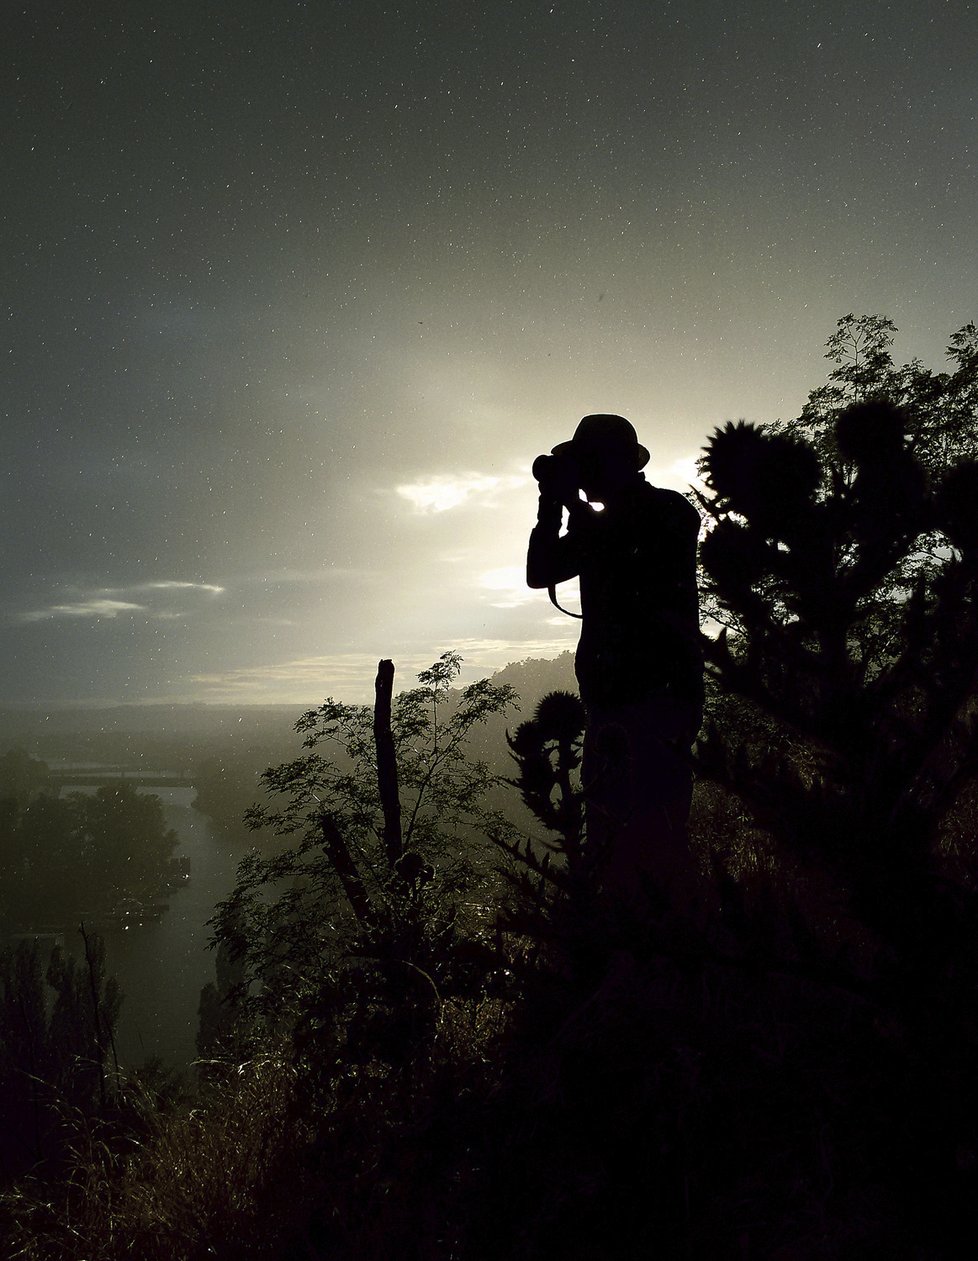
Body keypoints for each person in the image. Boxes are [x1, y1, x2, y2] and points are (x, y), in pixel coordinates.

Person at [527, 413, 702, 907]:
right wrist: (550, 509)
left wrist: (570, 505)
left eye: (586, 465)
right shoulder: (603, 524)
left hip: (659, 699)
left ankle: (669, 947)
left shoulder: (668, 511)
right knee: (609, 836)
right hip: (609, 702)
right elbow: (540, 573)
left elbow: (624, 546)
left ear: (612, 464)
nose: (581, 476)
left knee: (657, 836)